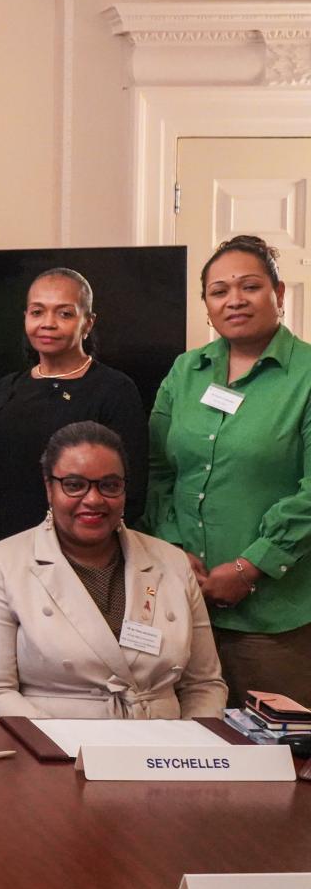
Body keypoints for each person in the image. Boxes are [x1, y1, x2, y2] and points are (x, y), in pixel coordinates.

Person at [146, 235, 311, 706]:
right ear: (206, 305)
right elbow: (157, 469)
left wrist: (249, 567)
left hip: (276, 617)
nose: (234, 300)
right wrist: (174, 548)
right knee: (184, 755)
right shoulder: (184, 372)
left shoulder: (307, 375)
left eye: (250, 286)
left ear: (278, 295)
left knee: (277, 762)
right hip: (180, 604)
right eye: (219, 291)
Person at [0, 422, 226, 718]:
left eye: (109, 485)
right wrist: (62, 751)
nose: (93, 499)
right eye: (74, 485)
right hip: (51, 749)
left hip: (163, 750)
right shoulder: (3, 564)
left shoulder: (173, 563)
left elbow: (204, 685)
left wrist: (189, 753)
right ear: (49, 487)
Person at [0, 268, 148, 560]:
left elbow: (130, 490)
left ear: (88, 323)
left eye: (64, 314)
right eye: (37, 312)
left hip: (87, 560)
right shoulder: (4, 390)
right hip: (6, 560)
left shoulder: (114, 390)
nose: (47, 324)